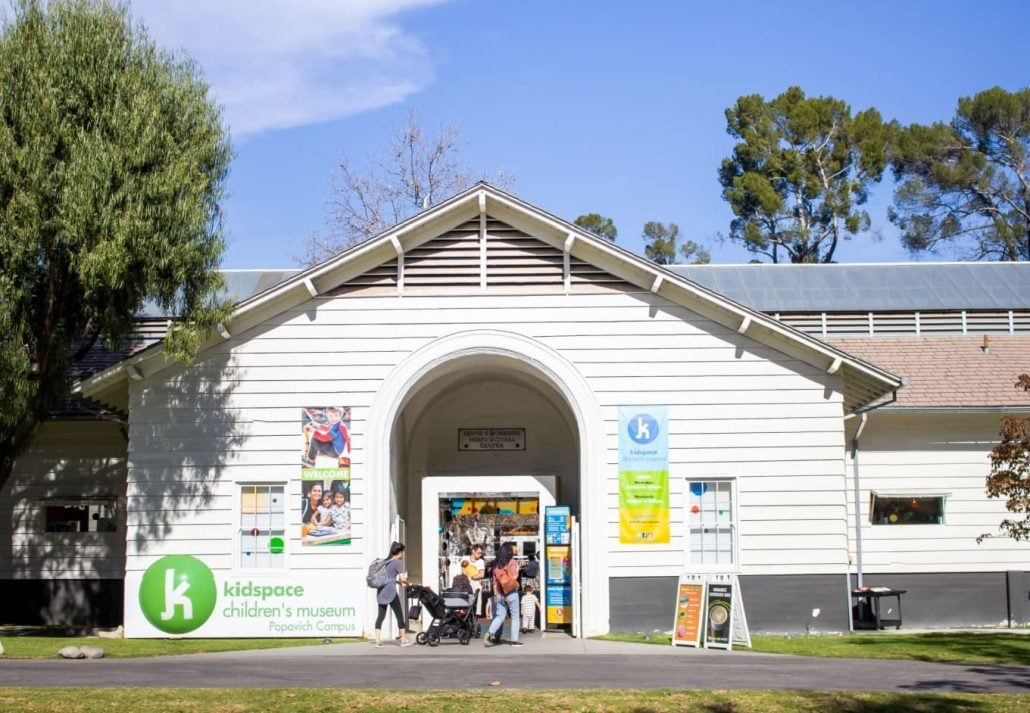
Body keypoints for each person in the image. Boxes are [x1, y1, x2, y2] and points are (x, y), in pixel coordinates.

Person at [373, 542, 414, 648]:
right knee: (399, 615)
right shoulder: (397, 563)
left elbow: (390, 577)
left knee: (381, 616)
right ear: (399, 552)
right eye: (403, 552)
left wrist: (400, 583)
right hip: (391, 592)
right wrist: (409, 583)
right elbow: (402, 578)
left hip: (381, 591)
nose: (403, 554)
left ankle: (377, 640)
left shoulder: (385, 562)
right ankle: (403, 639)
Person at [484, 542, 521, 647]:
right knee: (515, 617)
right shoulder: (512, 562)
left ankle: (491, 634)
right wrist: (517, 570)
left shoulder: (496, 565)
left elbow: (495, 582)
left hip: (500, 593)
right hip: (511, 593)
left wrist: (496, 595)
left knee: (500, 616)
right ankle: (514, 641)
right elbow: (513, 578)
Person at [463, 544, 486, 617]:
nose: (480, 555)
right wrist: (467, 578)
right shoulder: (465, 559)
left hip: (475, 585)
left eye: (481, 553)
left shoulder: (481, 561)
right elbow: (462, 570)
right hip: (465, 584)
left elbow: (482, 574)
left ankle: (475, 618)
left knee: (476, 605)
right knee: (466, 605)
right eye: (478, 553)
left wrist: (472, 578)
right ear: (473, 551)